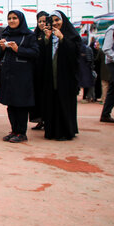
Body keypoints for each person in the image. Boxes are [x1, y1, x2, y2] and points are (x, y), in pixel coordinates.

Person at [0, 10, 39, 143]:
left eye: (14, 18)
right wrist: (2, 48)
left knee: (21, 105)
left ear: (21, 19)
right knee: (11, 105)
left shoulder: (29, 35)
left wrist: (18, 49)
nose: (11, 21)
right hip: (8, 74)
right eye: (9, 18)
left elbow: (35, 53)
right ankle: (14, 130)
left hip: (22, 76)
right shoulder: (6, 34)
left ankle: (22, 132)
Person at [41, 11, 82, 141]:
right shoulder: (49, 36)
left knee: (64, 102)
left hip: (66, 77)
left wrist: (63, 39)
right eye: (52, 21)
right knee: (51, 102)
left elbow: (75, 53)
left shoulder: (72, 35)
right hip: (51, 77)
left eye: (57, 20)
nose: (55, 23)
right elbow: (42, 55)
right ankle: (51, 130)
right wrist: (47, 40)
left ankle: (66, 131)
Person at [29, 11, 49, 130]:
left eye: (44, 21)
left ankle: (48, 120)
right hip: (36, 71)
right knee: (37, 97)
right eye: (40, 21)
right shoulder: (34, 35)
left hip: (48, 71)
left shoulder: (52, 34)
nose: (42, 24)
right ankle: (40, 120)